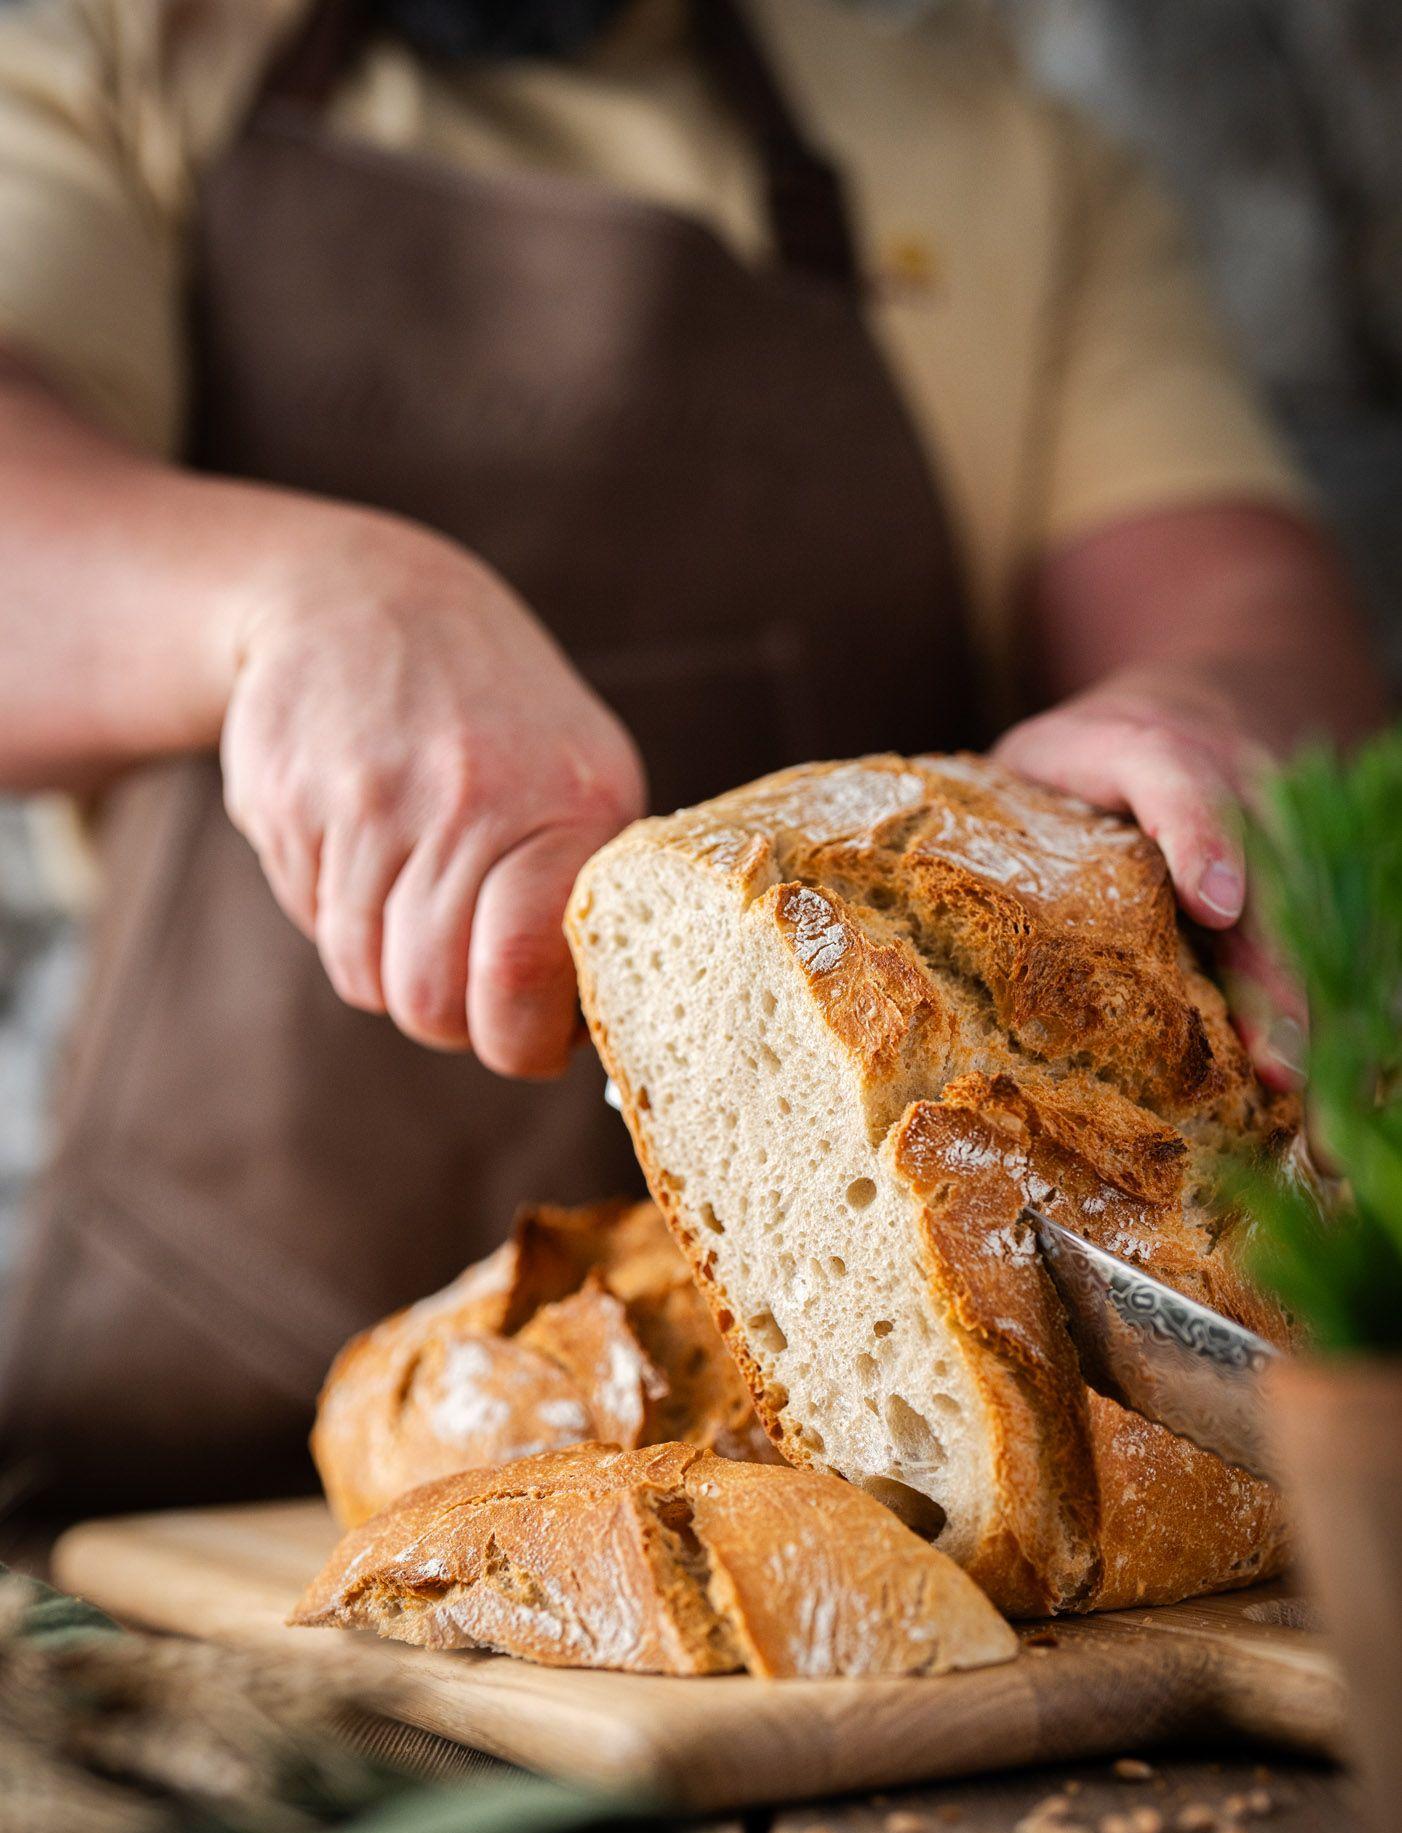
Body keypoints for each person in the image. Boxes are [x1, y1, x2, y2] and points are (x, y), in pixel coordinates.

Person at [0, 0, 1385, 1507]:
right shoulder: (108, 46)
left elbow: (1250, 613)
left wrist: (1213, 714)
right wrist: (288, 604)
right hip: (189, 1440)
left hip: (907, 1450)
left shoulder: (996, 147)